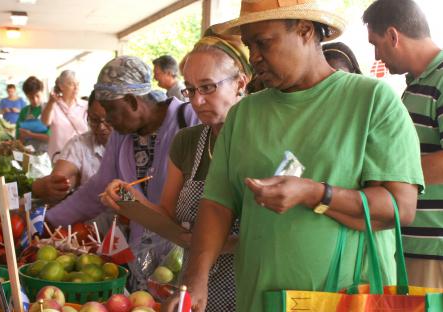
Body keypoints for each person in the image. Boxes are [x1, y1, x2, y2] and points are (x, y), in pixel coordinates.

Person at [175, 1, 425, 311]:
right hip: (259, 300)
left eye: (263, 42)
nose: (254, 57)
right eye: (249, 45)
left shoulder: (372, 101)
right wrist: (196, 279)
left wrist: (315, 194)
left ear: (305, 30)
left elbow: (400, 207)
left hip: (347, 301)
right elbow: (217, 204)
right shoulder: (243, 115)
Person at [101, 27, 252, 311]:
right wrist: (129, 201)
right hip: (190, 293)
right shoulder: (188, 142)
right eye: (191, 89)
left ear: (240, 83)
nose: (196, 101)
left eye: (208, 87)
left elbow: (271, 234)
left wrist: (205, 243)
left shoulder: (262, 142)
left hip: (246, 289)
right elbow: (166, 218)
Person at [46, 55, 199, 289]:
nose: (107, 120)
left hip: (186, 259)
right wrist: (50, 220)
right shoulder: (122, 136)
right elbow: (101, 190)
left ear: (133, 101)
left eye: (111, 110)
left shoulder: (188, 120)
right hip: (142, 260)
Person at [364, 0, 443, 288]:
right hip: (414, 244)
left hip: (434, 250)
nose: (376, 54)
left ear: (394, 36)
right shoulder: (416, 85)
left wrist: (391, 177)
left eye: (376, 43)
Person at [32, 91, 112, 204]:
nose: (101, 127)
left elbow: (132, 203)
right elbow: (58, 183)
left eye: (108, 120)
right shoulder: (79, 145)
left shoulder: (135, 145)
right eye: (94, 120)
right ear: (87, 115)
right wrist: (41, 186)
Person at [41, 70, 89, 160]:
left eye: (77, 84)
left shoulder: (85, 106)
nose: (76, 87)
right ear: (61, 86)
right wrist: (51, 102)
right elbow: (45, 122)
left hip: (81, 156)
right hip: (58, 156)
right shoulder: (51, 105)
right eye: (71, 84)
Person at [16, 76, 50, 153]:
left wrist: (30, 134)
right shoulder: (24, 112)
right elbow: (19, 138)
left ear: (42, 92)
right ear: (26, 96)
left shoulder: (49, 110)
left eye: (37, 96)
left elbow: (51, 138)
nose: (35, 100)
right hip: (28, 153)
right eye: (31, 97)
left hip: (45, 154)